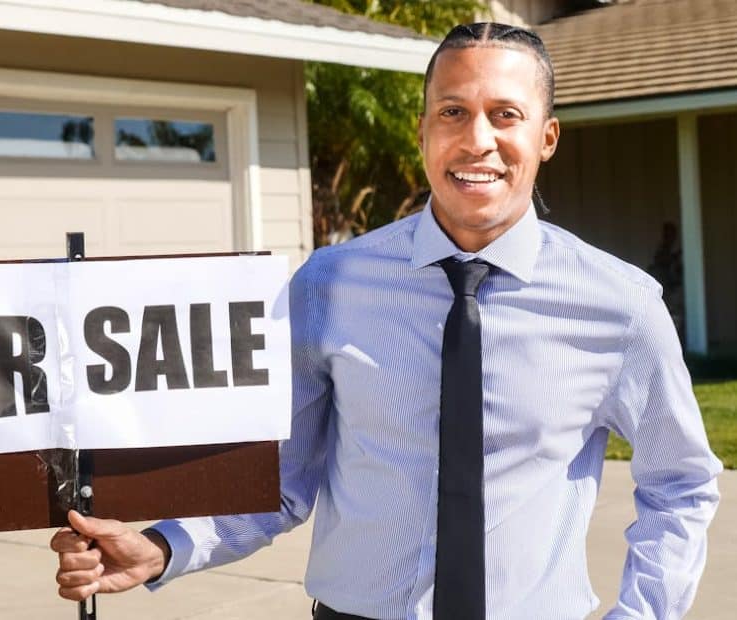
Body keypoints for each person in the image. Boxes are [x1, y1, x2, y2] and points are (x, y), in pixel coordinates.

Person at [50, 23, 721, 619]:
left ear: (546, 137)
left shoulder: (621, 305)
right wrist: (162, 547)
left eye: (505, 114)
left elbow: (681, 484)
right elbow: (280, 481)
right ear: (423, 130)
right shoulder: (330, 283)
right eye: (453, 112)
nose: (477, 139)